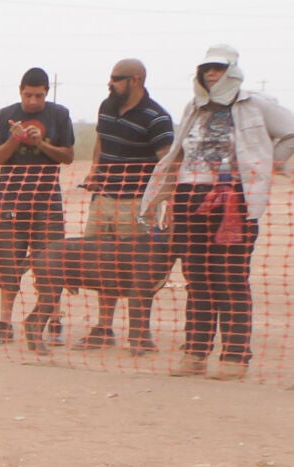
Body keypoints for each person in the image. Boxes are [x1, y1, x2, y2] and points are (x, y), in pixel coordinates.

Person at [140, 46, 294, 379]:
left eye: (219, 68)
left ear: (232, 71)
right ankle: (195, 354)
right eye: (207, 68)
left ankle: (235, 358)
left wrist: (269, 159)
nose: (212, 74)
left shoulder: (255, 105)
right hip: (188, 195)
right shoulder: (193, 107)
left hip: (234, 199)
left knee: (231, 278)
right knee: (196, 278)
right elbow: (178, 153)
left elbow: (291, 132)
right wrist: (164, 198)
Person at [80, 60, 174, 352]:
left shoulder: (157, 117)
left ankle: (140, 336)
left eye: (116, 78)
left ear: (136, 80)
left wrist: (169, 203)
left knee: (139, 270)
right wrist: (95, 170)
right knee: (101, 265)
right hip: (103, 199)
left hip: (136, 204)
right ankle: (103, 328)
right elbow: (101, 140)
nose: (110, 83)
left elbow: (167, 162)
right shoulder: (106, 107)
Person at [0, 68, 75, 346]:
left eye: (39, 95)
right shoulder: (4, 115)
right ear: (20, 91)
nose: (33, 101)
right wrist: (16, 139)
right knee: (7, 264)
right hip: (11, 201)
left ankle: (53, 320)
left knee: (51, 265)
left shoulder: (59, 115)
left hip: (47, 202)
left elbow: (68, 156)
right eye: (28, 95)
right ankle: (4, 323)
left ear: (46, 92)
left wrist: (40, 143)